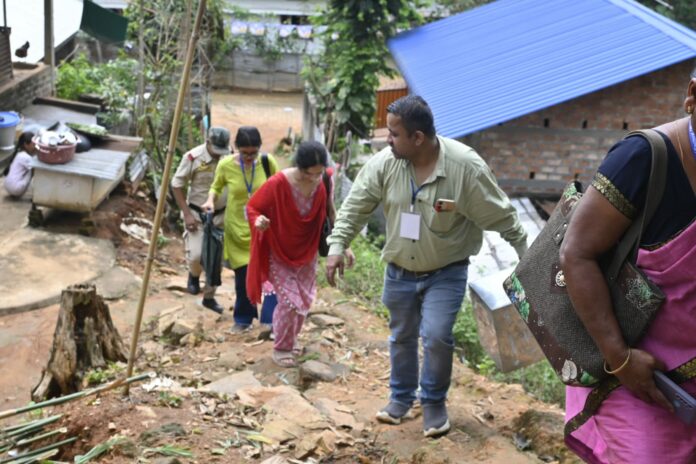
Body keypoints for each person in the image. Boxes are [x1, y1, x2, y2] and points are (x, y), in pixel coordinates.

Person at [324, 95, 528, 438]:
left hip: (445, 272)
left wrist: (527, 256)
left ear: (417, 138)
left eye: (394, 134)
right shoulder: (384, 164)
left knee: (436, 335)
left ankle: (433, 402)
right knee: (402, 336)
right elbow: (355, 207)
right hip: (399, 270)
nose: (388, 140)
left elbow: (502, 215)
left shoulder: (464, 168)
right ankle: (400, 398)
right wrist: (336, 245)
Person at [559, 69, 696, 463]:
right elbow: (577, 254)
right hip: (636, 378)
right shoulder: (644, 158)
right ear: (693, 94)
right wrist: (620, 359)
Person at [246, 141, 354, 367]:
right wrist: (259, 221)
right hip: (279, 250)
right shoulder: (278, 182)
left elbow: (330, 212)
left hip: (308, 250)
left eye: (318, 173)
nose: (313, 179)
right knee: (289, 302)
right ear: (299, 167)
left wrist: (344, 244)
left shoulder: (325, 180)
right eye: (308, 174)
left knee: (304, 301)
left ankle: (291, 339)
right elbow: (253, 208)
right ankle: (281, 347)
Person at [202, 126, 279, 333]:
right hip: (237, 227)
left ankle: (271, 320)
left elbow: (279, 187)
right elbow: (216, 187)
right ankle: (244, 318)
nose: (249, 157)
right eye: (244, 153)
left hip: (264, 226)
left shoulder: (267, 162)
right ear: (236, 148)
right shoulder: (226, 165)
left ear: (260, 148)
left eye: (253, 153)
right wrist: (210, 201)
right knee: (243, 275)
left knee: (270, 274)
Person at [171, 127, 230, 314]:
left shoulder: (230, 157)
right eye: (216, 149)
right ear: (207, 142)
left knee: (215, 261)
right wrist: (187, 213)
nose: (219, 154)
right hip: (197, 215)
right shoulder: (193, 158)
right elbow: (176, 184)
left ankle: (209, 297)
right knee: (196, 256)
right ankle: (194, 275)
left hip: (221, 216)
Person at [3, 131, 37, 198]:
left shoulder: (19, 153)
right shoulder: (25, 157)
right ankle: (37, 194)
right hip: (15, 189)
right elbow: (35, 167)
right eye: (33, 144)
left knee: (30, 167)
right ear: (26, 144)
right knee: (35, 169)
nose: (35, 146)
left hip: (7, 186)